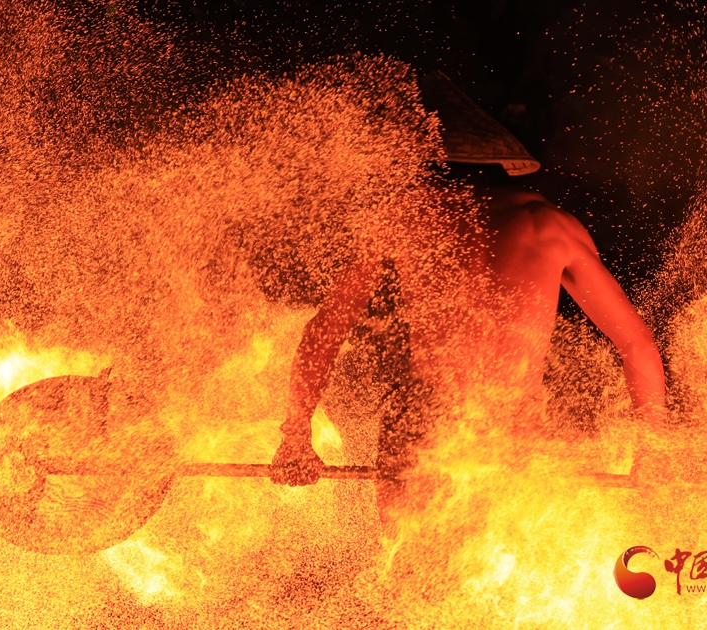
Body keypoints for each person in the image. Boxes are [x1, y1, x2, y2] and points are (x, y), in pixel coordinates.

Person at [269, 72, 666, 501]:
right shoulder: (549, 227)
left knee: (412, 547)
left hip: (423, 435)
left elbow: (324, 332)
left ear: (421, 163)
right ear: (498, 164)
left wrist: (296, 437)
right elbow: (637, 344)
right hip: (514, 436)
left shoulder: (402, 220)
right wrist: (652, 452)